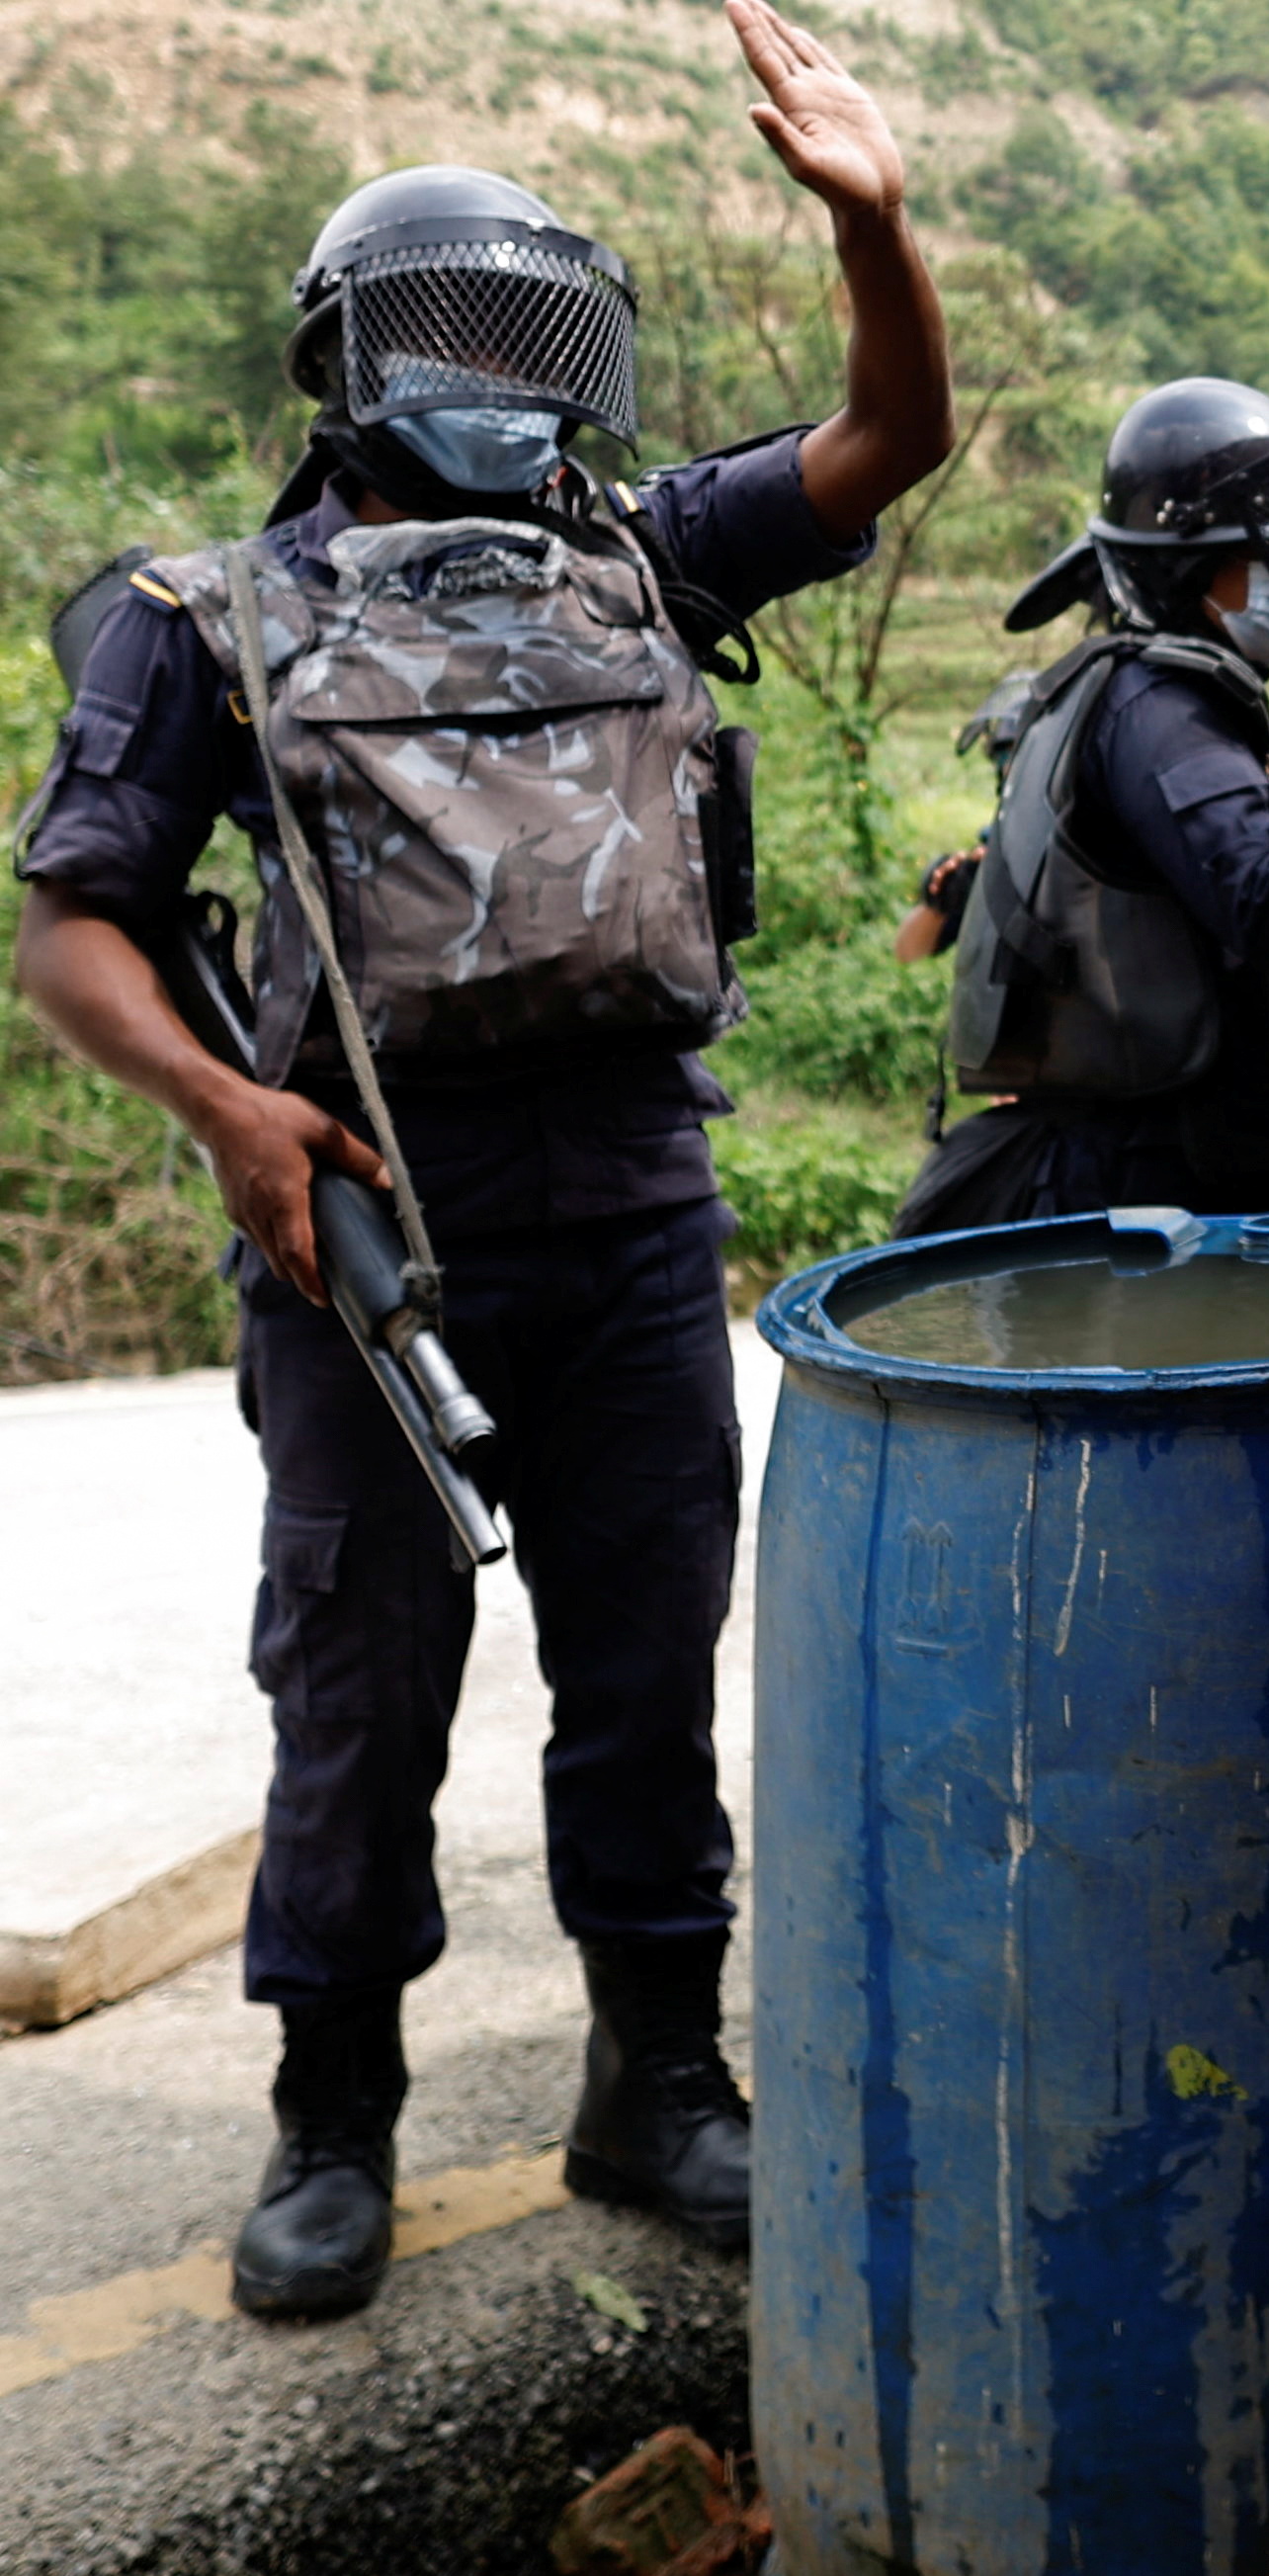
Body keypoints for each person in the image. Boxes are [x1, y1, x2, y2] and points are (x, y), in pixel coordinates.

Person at [8, 0, 954, 2318]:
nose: (492, 374)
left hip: (634, 1210)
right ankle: (331, 2117)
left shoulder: (643, 553)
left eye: (530, 333)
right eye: (443, 336)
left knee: (642, 1668)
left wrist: (877, 222)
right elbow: (74, 930)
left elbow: (891, 437)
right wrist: (230, 1111)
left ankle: (654, 2079)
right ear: (345, 365)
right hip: (364, 1232)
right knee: (359, 1687)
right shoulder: (203, 614)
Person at [904, 380, 1269, 1234]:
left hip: (1213, 1167)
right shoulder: (1157, 711)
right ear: (1193, 565)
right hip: (1155, 1179)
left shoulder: (1204, 705)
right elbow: (1264, 899)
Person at [887, 670, 1035, 968]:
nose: (1010, 770)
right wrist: (941, 900)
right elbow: (908, 951)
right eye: (1003, 759)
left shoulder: (1084, 838)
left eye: (1021, 756)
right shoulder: (997, 846)